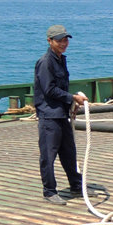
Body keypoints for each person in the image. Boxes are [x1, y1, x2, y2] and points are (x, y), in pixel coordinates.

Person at [33, 24, 88, 205]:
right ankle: (49, 191)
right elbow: (49, 90)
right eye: (59, 40)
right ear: (50, 41)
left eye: (65, 40)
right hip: (49, 115)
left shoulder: (60, 60)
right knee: (49, 155)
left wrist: (71, 103)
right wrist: (72, 97)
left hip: (61, 113)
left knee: (68, 151)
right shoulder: (45, 62)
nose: (63, 43)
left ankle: (75, 184)